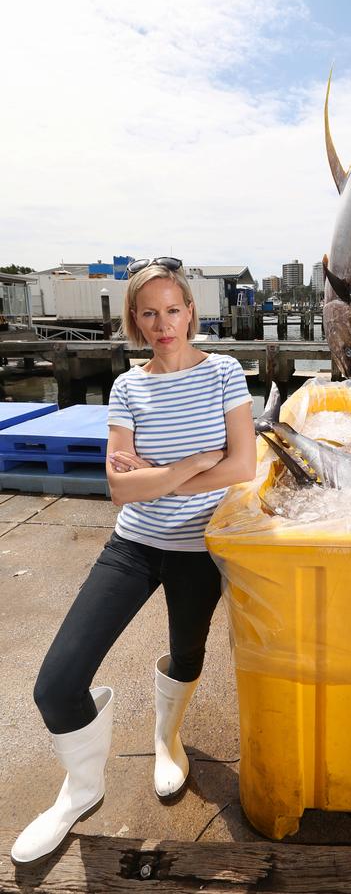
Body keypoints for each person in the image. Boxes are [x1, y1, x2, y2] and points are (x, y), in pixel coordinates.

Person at [11, 257, 257, 865]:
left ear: (191, 311)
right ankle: (81, 789)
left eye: (174, 309)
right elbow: (121, 490)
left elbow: (244, 465)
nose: (163, 323)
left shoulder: (224, 372)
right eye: (149, 312)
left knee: (187, 654)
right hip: (134, 545)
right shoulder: (128, 386)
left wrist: (155, 475)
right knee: (56, 684)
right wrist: (189, 467)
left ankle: (167, 738)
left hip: (200, 551)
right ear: (134, 320)